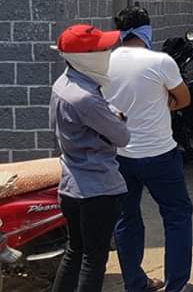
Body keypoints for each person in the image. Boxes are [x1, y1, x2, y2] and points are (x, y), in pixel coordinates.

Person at [106, 7, 193, 292]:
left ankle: (135, 283)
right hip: (159, 154)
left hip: (120, 155)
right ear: (146, 30)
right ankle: (177, 285)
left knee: (127, 219)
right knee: (177, 216)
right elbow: (183, 99)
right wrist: (162, 105)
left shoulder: (105, 62)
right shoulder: (161, 62)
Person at [49, 24, 129, 292]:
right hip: (98, 188)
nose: (108, 52)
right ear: (87, 56)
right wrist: (116, 116)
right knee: (94, 260)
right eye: (103, 49)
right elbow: (122, 136)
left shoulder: (62, 85)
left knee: (75, 251)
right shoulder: (87, 98)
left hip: (71, 184)